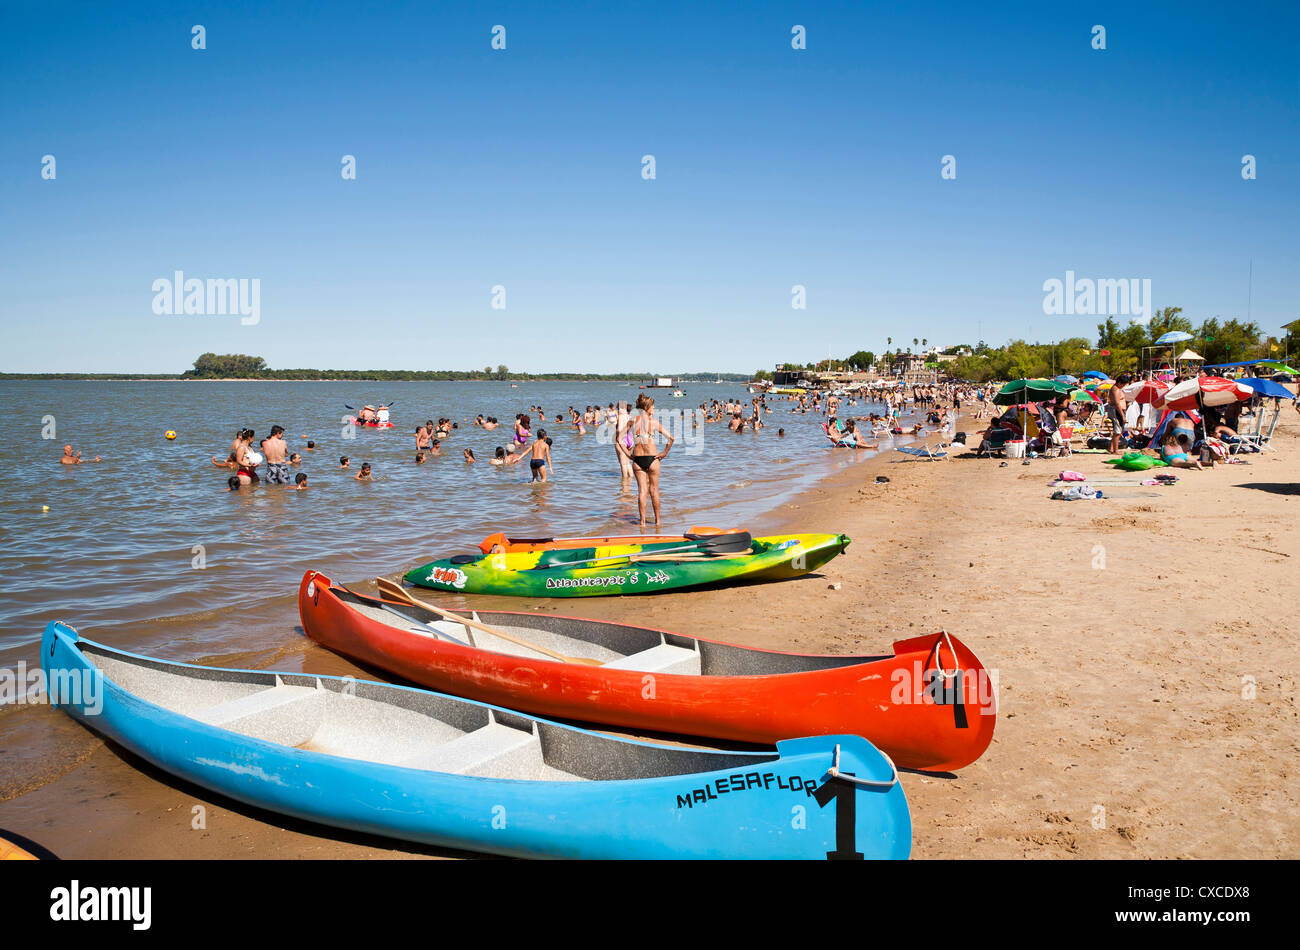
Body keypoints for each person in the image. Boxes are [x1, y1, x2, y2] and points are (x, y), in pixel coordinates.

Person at [630, 394, 674, 526]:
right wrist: (664, 453)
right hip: (653, 457)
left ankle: (642, 522)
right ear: (647, 407)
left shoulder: (632, 421)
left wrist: (628, 454)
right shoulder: (653, 422)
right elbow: (671, 438)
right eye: (653, 406)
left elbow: (618, 439)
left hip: (637, 459)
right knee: (654, 491)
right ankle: (658, 522)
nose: (654, 408)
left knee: (642, 491)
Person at [1108, 374, 1132, 454]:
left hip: (1117, 410)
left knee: (1117, 430)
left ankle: (1111, 448)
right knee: (1117, 431)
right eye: (1123, 384)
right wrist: (1122, 415)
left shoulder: (1116, 389)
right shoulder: (1116, 389)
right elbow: (1117, 403)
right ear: (1119, 382)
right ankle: (1116, 450)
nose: (1123, 386)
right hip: (1117, 411)